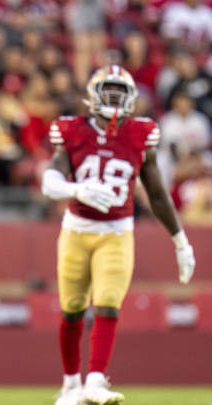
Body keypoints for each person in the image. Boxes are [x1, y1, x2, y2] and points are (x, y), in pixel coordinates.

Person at [41, 65, 196, 405]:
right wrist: (77, 188)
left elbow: (156, 193)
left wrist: (180, 240)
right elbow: (49, 181)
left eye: (120, 93)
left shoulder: (141, 134)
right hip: (76, 231)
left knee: (109, 303)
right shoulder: (71, 130)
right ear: (93, 96)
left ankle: (95, 380)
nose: (113, 99)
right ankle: (70, 385)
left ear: (132, 99)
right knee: (72, 309)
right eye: (108, 92)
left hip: (117, 231)